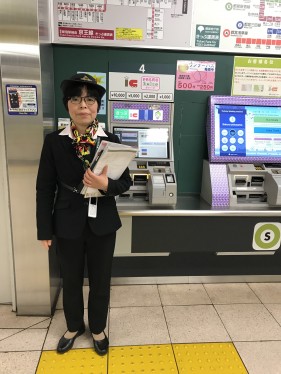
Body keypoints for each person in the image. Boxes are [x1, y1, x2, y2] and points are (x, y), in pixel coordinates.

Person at [36, 73, 132, 355]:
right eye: (76, 99)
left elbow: (125, 182)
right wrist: (44, 229)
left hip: (103, 222)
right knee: (71, 279)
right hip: (66, 222)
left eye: (90, 99)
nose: (83, 106)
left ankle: (98, 327)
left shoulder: (110, 140)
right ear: (68, 105)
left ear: (97, 106)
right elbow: (44, 187)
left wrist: (106, 185)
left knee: (101, 280)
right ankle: (74, 326)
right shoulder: (54, 142)